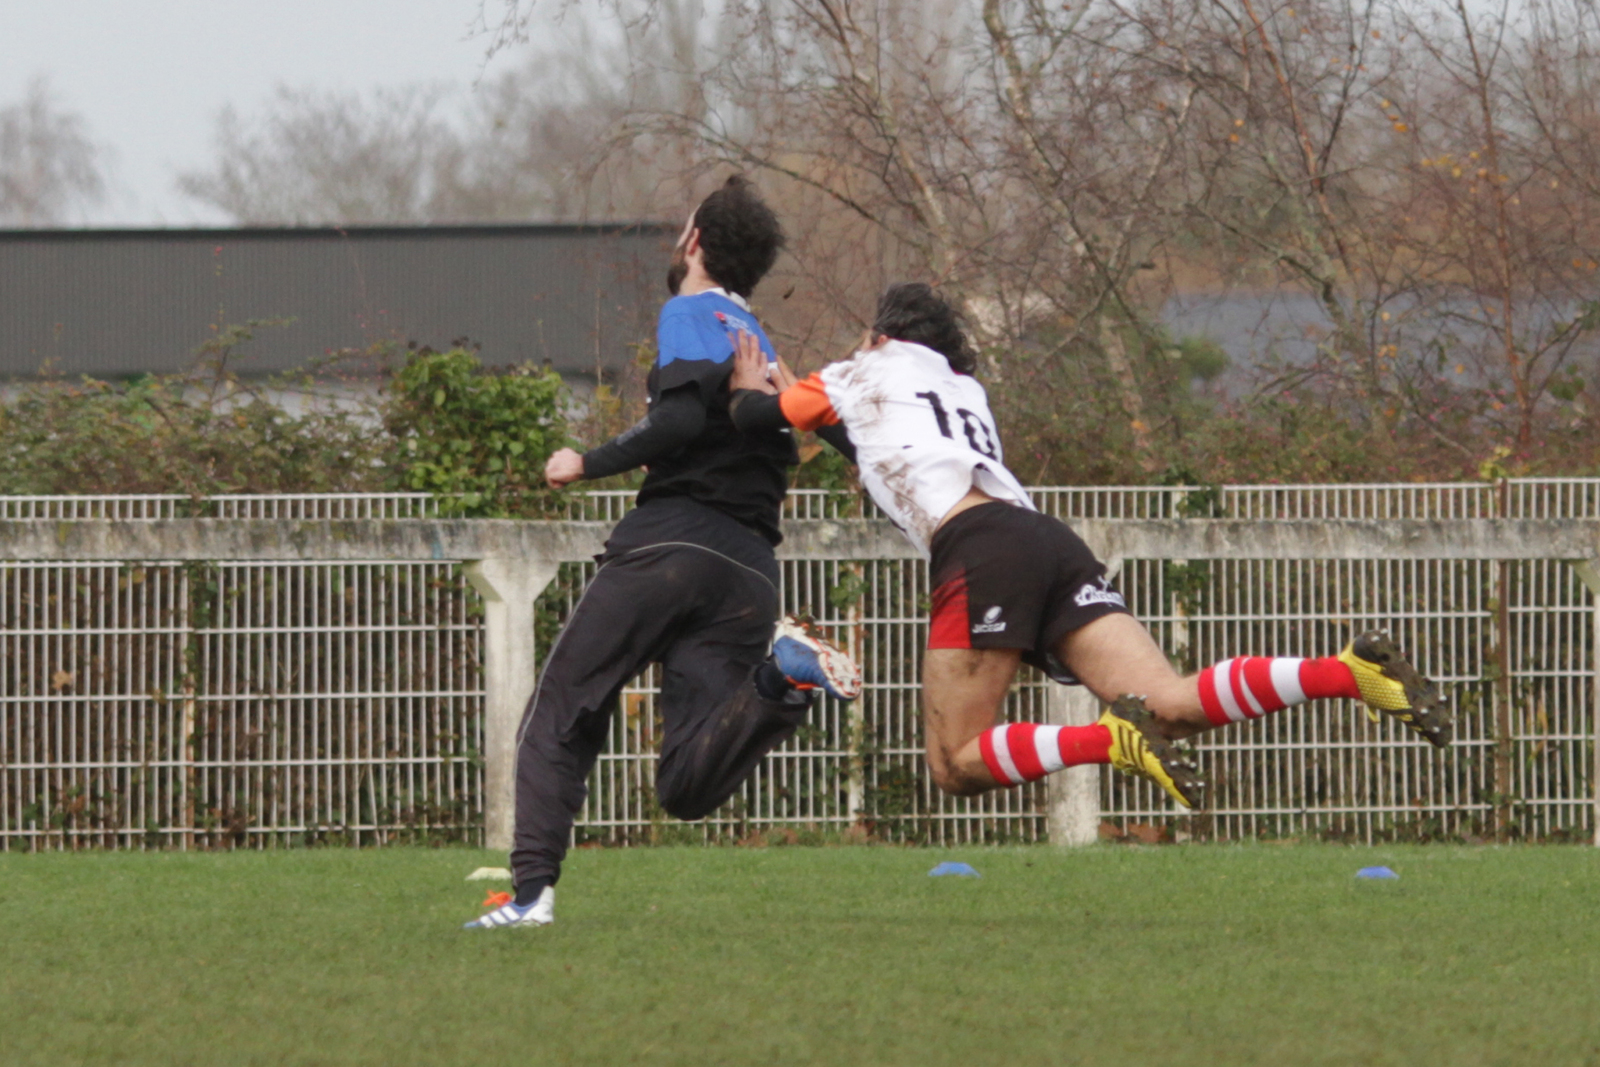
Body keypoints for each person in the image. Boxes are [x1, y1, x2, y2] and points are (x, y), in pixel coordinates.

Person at [726, 282, 1451, 806]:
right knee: (1169, 702)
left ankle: (1107, 741)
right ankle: (1347, 670)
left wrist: (749, 390)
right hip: (1046, 540)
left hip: (981, 550)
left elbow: (779, 408)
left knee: (952, 764)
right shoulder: (964, 390)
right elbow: (884, 449)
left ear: (882, 334)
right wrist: (822, 417)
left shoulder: (866, 367)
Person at [466, 177, 861, 930]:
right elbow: (779, 437)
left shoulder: (689, 309)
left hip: (672, 544)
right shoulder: (764, 346)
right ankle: (780, 678)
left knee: (563, 705)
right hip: (749, 566)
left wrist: (587, 459)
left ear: (696, 243)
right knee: (685, 783)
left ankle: (528, 898)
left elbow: (679, 419)